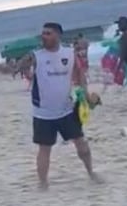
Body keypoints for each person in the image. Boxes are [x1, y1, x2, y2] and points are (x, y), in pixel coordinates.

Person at [26, 22, 101, 189]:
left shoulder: (70, 53)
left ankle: (91, 172)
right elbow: (13, 68)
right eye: (43, 33)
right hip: (43, 113)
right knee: (44, 149)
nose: (44, 36)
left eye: (48, 33)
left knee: (81, 143)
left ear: (58, 35)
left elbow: (80, 74)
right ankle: (43, 183)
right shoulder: (36, 55)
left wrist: (86, 93)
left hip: (66, 109)